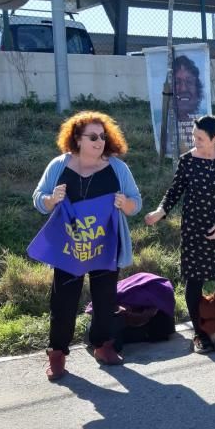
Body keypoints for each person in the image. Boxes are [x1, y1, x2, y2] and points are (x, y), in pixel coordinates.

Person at [33, 111, 142, 381]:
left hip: (105, 245)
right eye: (93, 137)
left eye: (103, 137)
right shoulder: (59, 165)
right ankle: (57, 355)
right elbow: (38, 199)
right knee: (63, 303)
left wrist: (124, 204)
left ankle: (102, 346)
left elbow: (135, 203)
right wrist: (51, 199)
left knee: (106, 301)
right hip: (69, 248)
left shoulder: (117, 168)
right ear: (77, 139)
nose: (99, 142)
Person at [145, 115, 215, 353]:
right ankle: (200, 334)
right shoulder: (187, 161)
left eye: (200, 138)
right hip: (194, 231)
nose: (195, 141)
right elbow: (175, 190)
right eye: (194, 136)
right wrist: (161, 211)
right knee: (194, 281)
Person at [173, 54, 205, 152]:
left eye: (189, 82)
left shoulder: (206, 126)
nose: (183, 89)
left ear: (197, 89)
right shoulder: (162, 128)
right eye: (177, 82)